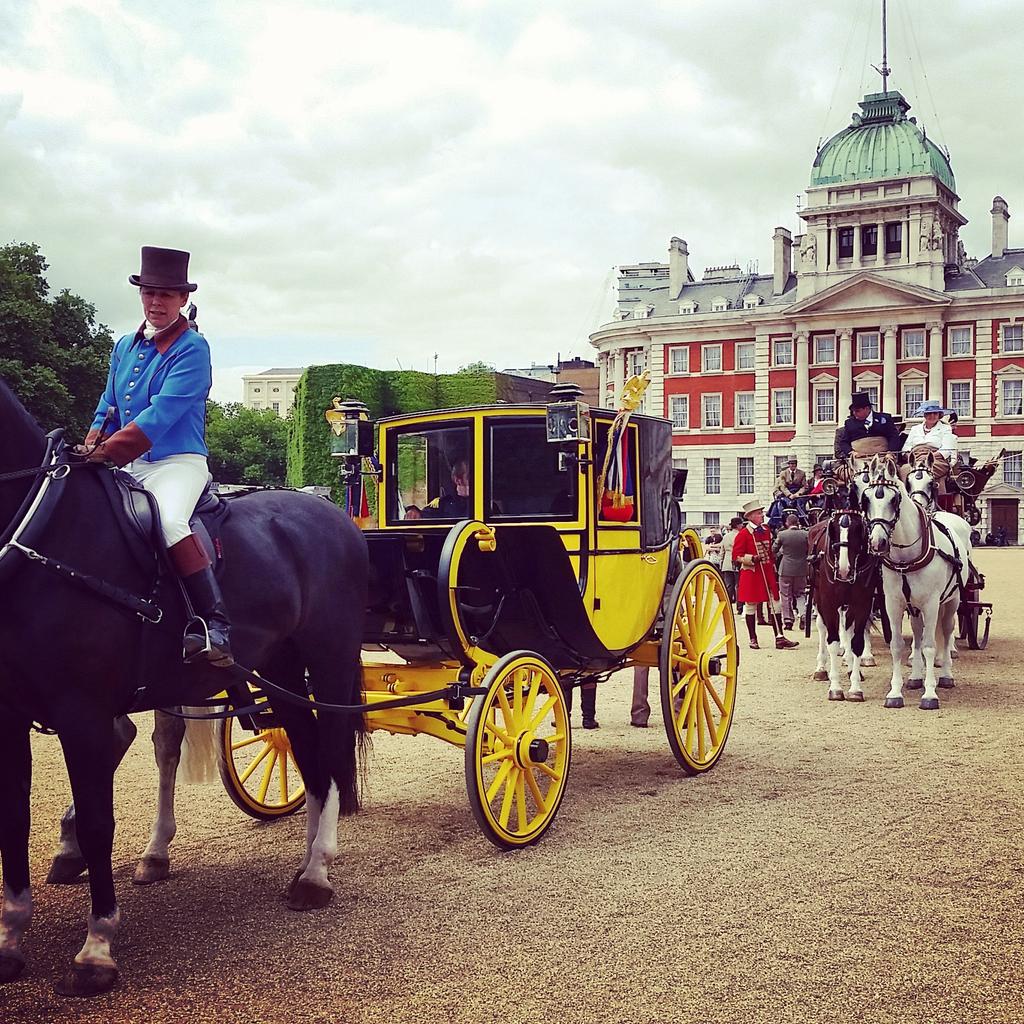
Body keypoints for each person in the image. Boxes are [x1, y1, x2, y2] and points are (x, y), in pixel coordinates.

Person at [76, 246, 231, 666]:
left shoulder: (192, 348)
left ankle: (213, 624)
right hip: (127, 461)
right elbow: (108, 405)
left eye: (165, 294)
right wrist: (90, 444)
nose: (156, 302)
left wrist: (107, 452)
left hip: (177, 461)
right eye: (149, 293)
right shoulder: (124, 345)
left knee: (169, 520)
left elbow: (162, 413)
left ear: (182, 299)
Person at [732, 500, 798, 651]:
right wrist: (751, 559)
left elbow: (769, 552)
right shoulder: (743, 534)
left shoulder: (766, 530)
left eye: (761, 512)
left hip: (767, 572)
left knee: (776, 604)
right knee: (751, 606)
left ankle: (779, 637)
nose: (762, 515)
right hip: (752, 573)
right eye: (758, 513)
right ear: (750, 517)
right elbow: (736, 556)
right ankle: (753, 638)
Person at [901, 400, 958, 491]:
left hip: (936, 460)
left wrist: (927, 457)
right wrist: (913, 458)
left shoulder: (945, 428)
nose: (932, 416)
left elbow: (946, 450)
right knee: (903, 470)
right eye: (929, 413)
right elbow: (906, 449)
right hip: (915, 459)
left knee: (924, 473)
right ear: (924, 415)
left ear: (939, 415)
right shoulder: (915, 429)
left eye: (935, 413)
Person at [834, 392, 901, 458]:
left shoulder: (884, 419)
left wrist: (891, 452)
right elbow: (844, 442)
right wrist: (852, 452)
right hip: (859, 459)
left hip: (883, 457)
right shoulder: (849, 423)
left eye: (857, 411)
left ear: (867, 408)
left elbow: (893, 436)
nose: (854, 413)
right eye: (853, 411)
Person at [773, 513, 809, 630]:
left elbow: (774, 549)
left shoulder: (782, 534)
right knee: (800, 593)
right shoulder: (805, 534)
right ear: (798, 522)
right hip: (801, 569)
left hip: (786, 569)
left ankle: (788, 620)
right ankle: (802, 614)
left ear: (787, 523)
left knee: (785, 595)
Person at [720, 516, 743, 610]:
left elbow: (722, 551)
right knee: (739, 585)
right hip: (738, 560)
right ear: (738, 525)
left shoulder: (726, 536)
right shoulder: (741, 535)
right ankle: (740, 606)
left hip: (727, 561)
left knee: (728, 585)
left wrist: (721, 563)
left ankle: (727, 606)